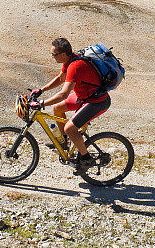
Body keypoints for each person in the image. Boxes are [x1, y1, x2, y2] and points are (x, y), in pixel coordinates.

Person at [30, 37, 111, 171]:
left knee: (69, 128)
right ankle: (65, 143)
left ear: (63, 54)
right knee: (57, 109)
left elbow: (63, 94)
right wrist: (41, 90)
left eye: (54, 54)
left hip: (97, 102)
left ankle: (86, 159)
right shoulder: (70, 60)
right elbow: (61, 78)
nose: (52, 57)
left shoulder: (75, 66)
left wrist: (42, 103)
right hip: (83, 97)